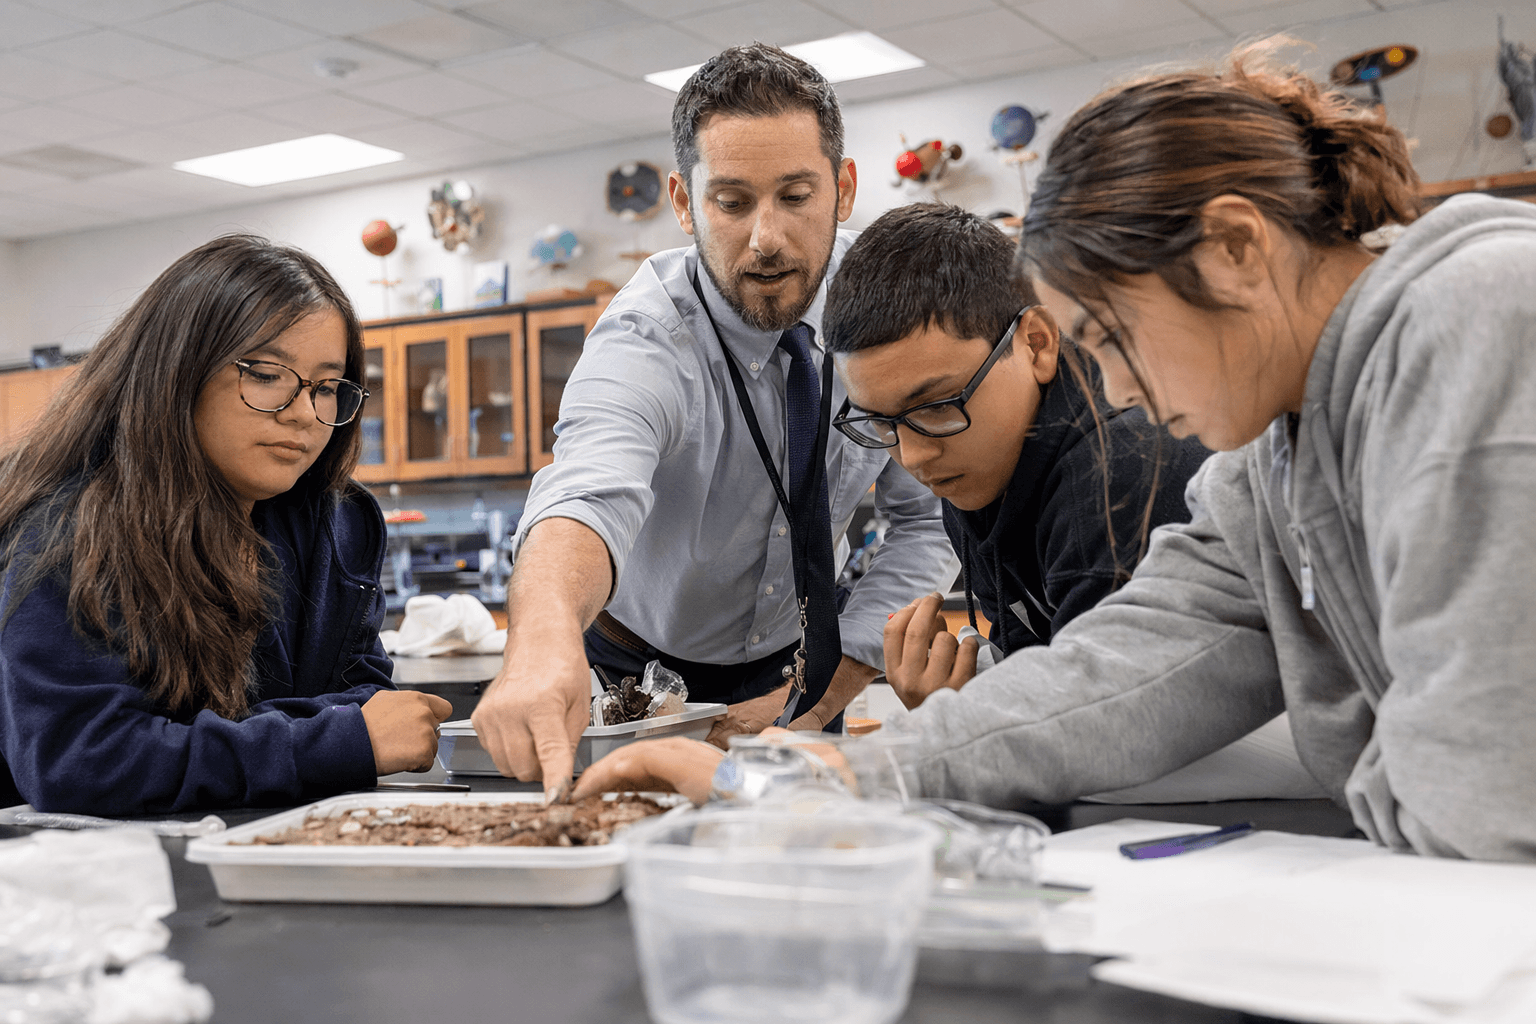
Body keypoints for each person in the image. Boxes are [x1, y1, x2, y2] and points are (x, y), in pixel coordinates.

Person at [579, 45, 1536, 862]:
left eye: (1114, 338)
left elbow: (1482, 812)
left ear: (1239, 247)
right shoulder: (1270, 457)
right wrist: (814, 777)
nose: (1117, 393)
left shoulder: (1480, 319)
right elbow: (1122, 668)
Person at [471, 43, 952, 798]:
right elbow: (586, 493)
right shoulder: (643, 338)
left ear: (845, 188)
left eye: (796, 196)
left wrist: (820, 699)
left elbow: (928, 521)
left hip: (808, 660)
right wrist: (539, 639)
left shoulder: (887, 316)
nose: (766, 238)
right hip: (635, 671)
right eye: (731, 202)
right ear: (685, 202)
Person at [0, 235, 451, 815]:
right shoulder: (70, 535)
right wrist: (333, 741)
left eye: (326, 387)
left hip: (275, 852)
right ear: (177, 372)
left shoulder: (336, 523)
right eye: (265, 374)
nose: (302, 414)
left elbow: (364, 695)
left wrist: (271, 736)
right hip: (111, 881)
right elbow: (82, 760)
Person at [821, 202, 1209, 701]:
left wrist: (962, 722)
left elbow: (1105, 728)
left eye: (937, 405)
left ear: (1037, 343)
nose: (915, 457)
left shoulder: (1119, 479)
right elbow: (1040, 669)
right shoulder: (979, 467)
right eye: (881, 422)